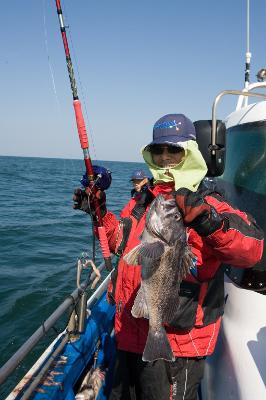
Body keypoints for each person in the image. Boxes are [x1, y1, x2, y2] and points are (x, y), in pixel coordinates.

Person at [73, 114, 264, 400]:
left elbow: (253, 249)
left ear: (189, 153)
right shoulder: (144, 199)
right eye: (158, 150)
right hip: (129, 334)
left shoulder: (208, 199)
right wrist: (100, 213)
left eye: (174, 150)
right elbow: (120, 243)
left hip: (178, 346)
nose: (165, 157)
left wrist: (208, 221)